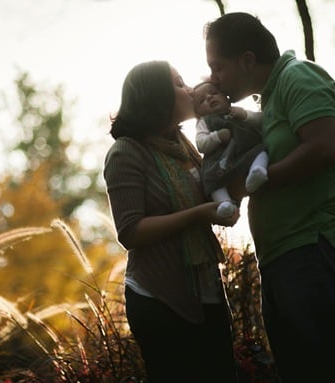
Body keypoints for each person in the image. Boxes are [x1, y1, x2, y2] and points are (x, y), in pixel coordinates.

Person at [203, 12, 335, 383]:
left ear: (247, 60)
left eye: (218, 67)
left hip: (313, 247)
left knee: (332, 369)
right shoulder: (269, 102)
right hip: (284, 257)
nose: (213, 78)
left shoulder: (299, 77)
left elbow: (324, 147)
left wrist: (261, 181)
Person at [103, 60, 238, 382]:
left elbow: (210, 190)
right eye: (179, 83)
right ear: (157, 98)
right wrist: (200, 215)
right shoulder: (126, 153)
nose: (190, 89)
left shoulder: (184, 145)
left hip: (207, 290)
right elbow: (131, 230)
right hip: (159, 297)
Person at [193, 80, 268, 218]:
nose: (209, 97)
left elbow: (262, 121)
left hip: (245, 153)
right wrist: (217, 137)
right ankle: (224, 203)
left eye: (214, 93)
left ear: (227, 99)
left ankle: (257, 171)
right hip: (220, 162)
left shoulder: (236, 112)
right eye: (201, 100)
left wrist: (245, 115)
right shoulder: (203, 122)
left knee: (261, 151)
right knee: (211, 179)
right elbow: (201, 144)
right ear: (197, 114)